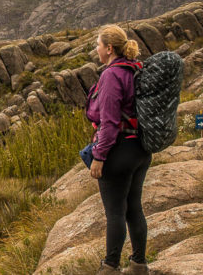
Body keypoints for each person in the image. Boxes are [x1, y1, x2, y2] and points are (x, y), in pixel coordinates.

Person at [86, 25, 152, 275]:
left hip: (120, 150)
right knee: (134, 207)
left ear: (109, 48)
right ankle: (139, 265)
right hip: (140, 149)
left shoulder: (111, 75)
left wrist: (99, 157)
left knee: (115, 211)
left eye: (99, 45)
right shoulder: (135, 69)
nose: (97, 49)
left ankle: (110, 267)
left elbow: (110, 122)